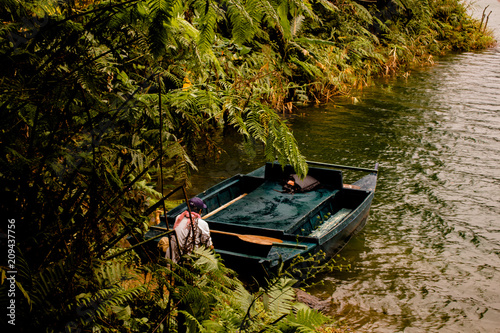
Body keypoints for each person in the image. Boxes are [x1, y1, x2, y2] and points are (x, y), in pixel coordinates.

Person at [165, 197, 213, 263]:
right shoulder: (202, 224)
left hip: (170, 258)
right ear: (200, 211)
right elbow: (208, 245)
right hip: (188, 260)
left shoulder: (179, 217)